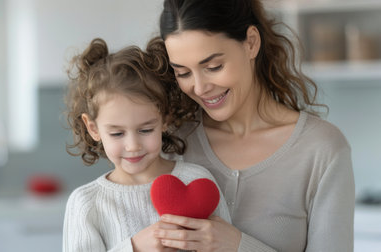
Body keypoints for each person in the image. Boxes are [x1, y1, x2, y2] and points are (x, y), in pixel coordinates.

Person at [151, 0, 355, 251]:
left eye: (213, 67)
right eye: (183, 73)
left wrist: (238, 246)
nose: (200, 87)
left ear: (251, 43)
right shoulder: (171, 143)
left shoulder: (322, 149)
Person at [62, 37, 232, 251]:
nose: (133, 145)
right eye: (117, 133)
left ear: (165, 118)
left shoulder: (196, 181)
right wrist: (134, 247)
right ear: (93, 128)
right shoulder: (87, 204)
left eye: (145, 130)